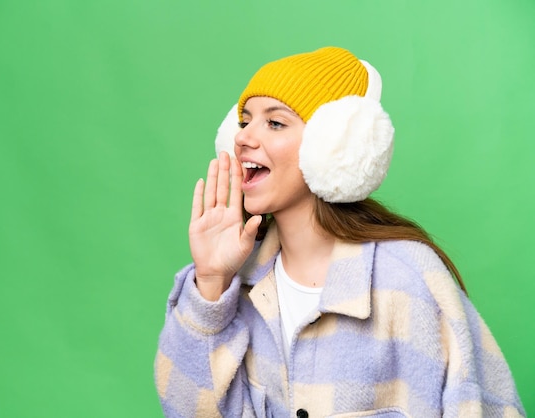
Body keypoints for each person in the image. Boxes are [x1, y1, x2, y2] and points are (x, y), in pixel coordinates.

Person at [154, 46, 525, 417]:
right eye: (245, 120)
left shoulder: (409, 278)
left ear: (331, 145)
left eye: (275, 123)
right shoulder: (240, 280)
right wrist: (212, 280)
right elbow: (185, 408)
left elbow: (488, 406)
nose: (243, 137)